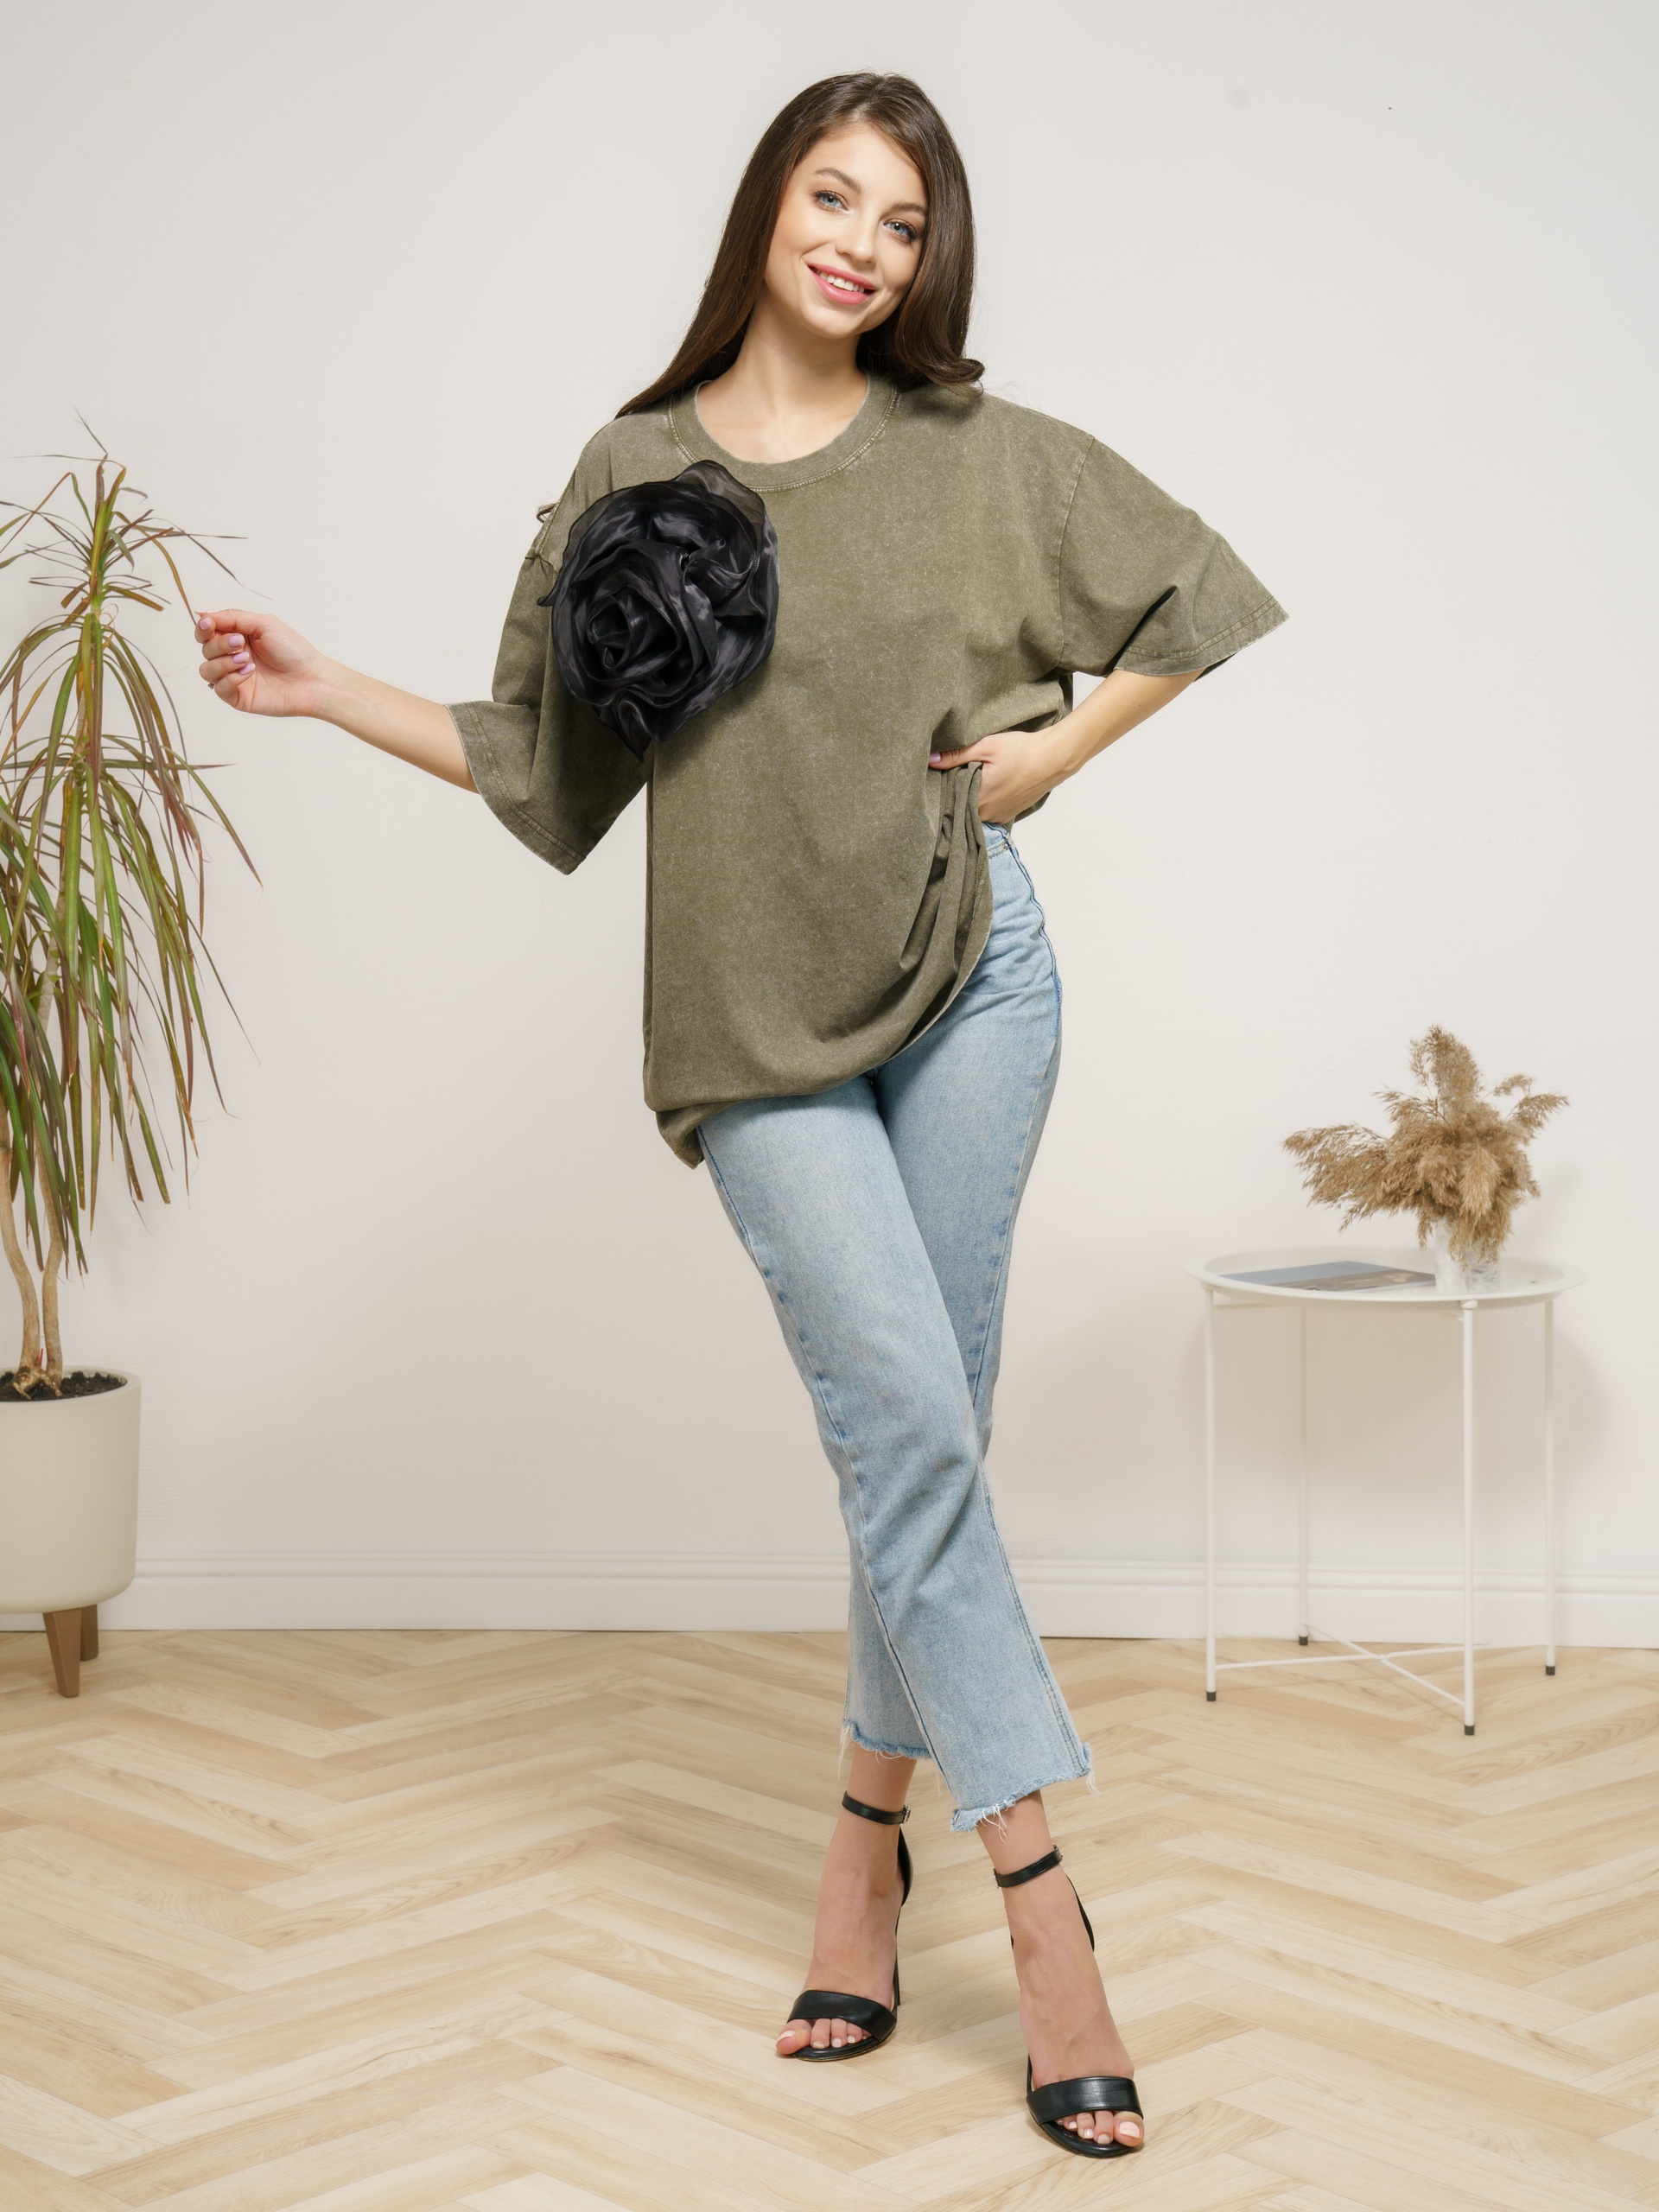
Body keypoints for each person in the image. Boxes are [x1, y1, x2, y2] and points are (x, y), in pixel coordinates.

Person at [194, 71, 1283, 2159]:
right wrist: (328, 690)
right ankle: (1044, 1902)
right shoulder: (632, 470)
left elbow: (1201, 593)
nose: (864, 244)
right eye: (834, 196)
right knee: (911, 1427)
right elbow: (546, 768)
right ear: (768, 205)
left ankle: (862, 1846)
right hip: (747, 1025)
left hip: (975, 980)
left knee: (920, 1437)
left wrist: (1055, 759)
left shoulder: (974, 454)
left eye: (903, 221)